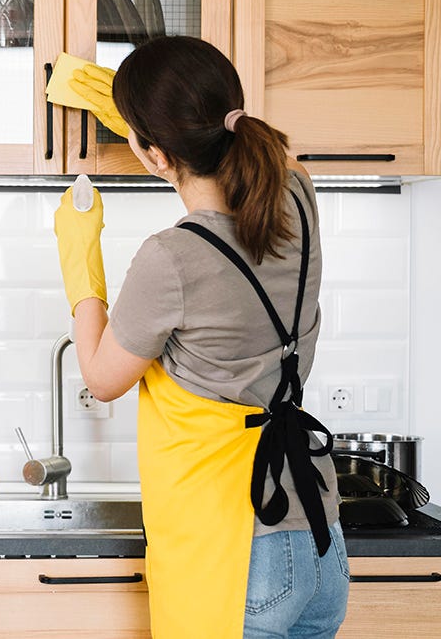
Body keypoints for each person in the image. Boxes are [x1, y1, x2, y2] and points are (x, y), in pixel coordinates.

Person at [54, 36, 348, 638]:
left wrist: (80, 259)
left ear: (154, 154)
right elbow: (236, 142)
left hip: (235, 552)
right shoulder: (298, 197)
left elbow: (101, 379)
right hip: (318, 536)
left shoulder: (174, 258)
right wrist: (148, 120)